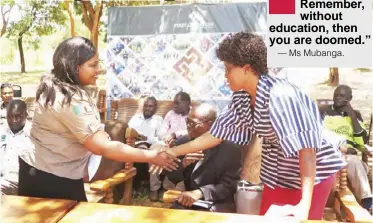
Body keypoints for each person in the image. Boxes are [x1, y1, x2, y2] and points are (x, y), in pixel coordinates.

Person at [151, 32, 346, 220]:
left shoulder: (281, 96)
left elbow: (308, 151)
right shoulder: (243, 99)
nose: (225, 76)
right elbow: (215, 135)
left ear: (246, 68)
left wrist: (305, 204)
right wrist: (173, 152)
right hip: (278, 176)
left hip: (312, 177)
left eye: (228, 69)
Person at [18, 36, 178, 202]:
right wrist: (151, 155)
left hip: (41, 171)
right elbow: (103, 147)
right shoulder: (69, 99)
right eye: (93, 65)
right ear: (75, 66)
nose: (99, 69)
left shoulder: (54, 87)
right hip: (51, 177)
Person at [167, 103, 241, 213]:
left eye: (193, 123)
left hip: (218, 203)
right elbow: (172, 177)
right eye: (187, 121)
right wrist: (183, 164)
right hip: (188, 201)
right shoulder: (184, 142)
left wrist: (200, 192)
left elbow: (229, 186)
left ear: (210, 124)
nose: (188, 126)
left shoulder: (230, 148)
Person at [320, 85, 372, 212]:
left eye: (342, 96)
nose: (337, 97)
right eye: (336, 94)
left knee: (354, 162)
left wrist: (352, 116)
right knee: (353, 162)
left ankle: (367, 202)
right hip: (329, 152)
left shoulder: (356, 115)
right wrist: (340, 147)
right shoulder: (324, 112)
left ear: (349, 98)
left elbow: (362, 141)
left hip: (349, 156)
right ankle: (367, 202)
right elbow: (319, 134)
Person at [128, 96, 163, 194]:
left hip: (152, 145)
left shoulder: (158, 120)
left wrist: (147, 139)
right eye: (146, 106)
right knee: (141, 150)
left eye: (150, 106)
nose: (148, 108)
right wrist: (139, 138)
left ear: (155, 108)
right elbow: (128, 132)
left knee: (153, 154)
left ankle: (154, 189)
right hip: (136, 144)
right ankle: (133, 187)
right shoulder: (135, 118)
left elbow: (161, 137)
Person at [0, 100, 31, 195]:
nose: (13, 120)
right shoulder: (2, 131)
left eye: (18, 116)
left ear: (26, 115)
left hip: (19, 181)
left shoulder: (34, 134)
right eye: (10, 116)